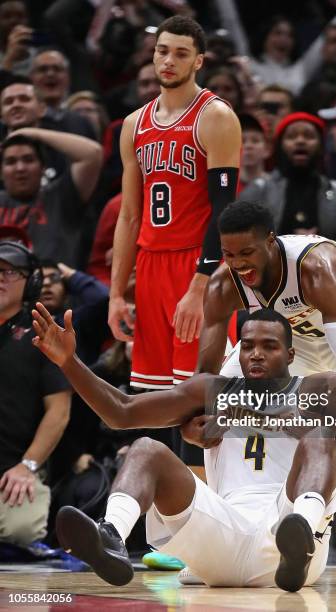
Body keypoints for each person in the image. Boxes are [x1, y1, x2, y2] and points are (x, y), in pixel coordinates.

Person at [31, 294, 336, 590]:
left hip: (290, 542)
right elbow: (121, 412)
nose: (255, 353)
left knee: (320, 433)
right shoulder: (210, 391)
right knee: (146, 449)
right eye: (248, 345)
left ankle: (300, 531)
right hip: (222, 536)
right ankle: (111, 536)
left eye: (269, 346)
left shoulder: (314, 388)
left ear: (290, 355)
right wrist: (70, 363)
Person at [188, 200, 336, 584]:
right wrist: (201, 417)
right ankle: (215, 534)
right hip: (290, 344)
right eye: (229, 254)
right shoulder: (223, 283)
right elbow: (204, 378)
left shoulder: (314, 266)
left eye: (247, 253)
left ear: (270, 242)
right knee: (218, 398)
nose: (238, 264)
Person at [108, 16, 241, 395]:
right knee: (155, 396)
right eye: (163, 51)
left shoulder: (215, 116)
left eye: (181, 54)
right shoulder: (134, 124)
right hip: (150, 266)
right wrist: (117, 294)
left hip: (197, 263)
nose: (169, 60)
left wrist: (200, 286)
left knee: (202, 397)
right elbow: (130, 215)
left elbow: (224, 210)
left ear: (198, 61)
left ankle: (203, 460)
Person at [0, 240, 71, 549]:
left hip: (15, 468)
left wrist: (28, 466)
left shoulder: (42, 334)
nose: (0, 278)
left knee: (21, 533)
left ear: (33, 281)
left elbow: (59, 411)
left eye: (9, 271)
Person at [241, 112, 336, 258]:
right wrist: (286, 246)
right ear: (279, 146)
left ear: (321, 146)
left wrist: (322, 247)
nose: (300, 141)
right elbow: (240, 236)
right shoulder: (257, 191)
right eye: (291, 136)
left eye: (309, 136)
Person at [0, 128, 103, 267]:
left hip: (55, 285)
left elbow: (93, 153)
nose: (20, 168)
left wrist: (33, 133)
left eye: (28, 160)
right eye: (11, 162)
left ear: (42, 168)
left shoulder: (62, 196)